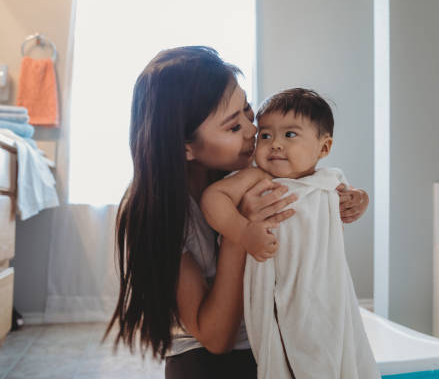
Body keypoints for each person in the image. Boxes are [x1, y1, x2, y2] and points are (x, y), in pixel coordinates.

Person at [104, 47, 369, 379]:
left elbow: (312, 200)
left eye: (248, 110)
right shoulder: (154, 212)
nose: (252, 131)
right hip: (205, 358)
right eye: (233, 127)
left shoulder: (244, 170)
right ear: (185, 146)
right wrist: (239, 230)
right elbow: (215, 338)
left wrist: (346, 202)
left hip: (268, 332)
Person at [201, 88, 379, 378]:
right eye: (266, 135)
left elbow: (351, 200)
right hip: (279, 292)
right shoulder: (259, 178)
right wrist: (245, 232)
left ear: (323, 148)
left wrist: (360, 200)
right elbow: (213, 199)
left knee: (333, 350)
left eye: (290, 135)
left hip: (325, 291)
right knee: (288, 352)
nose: (275, 145)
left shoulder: (329, 180)